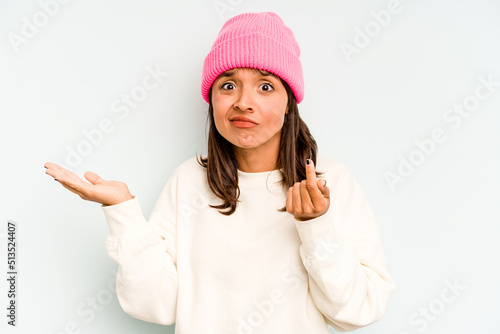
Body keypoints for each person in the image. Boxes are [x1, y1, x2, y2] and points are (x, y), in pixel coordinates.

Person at [44, 11, 395, 334]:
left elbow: (359, 310)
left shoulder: (331, 182)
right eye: (228, 85)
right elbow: (156, 306)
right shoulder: (189, 180)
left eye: (265, 85)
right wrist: (123, 212)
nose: (243, 101)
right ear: (212, 99)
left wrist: (317, 226)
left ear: (289, 102)